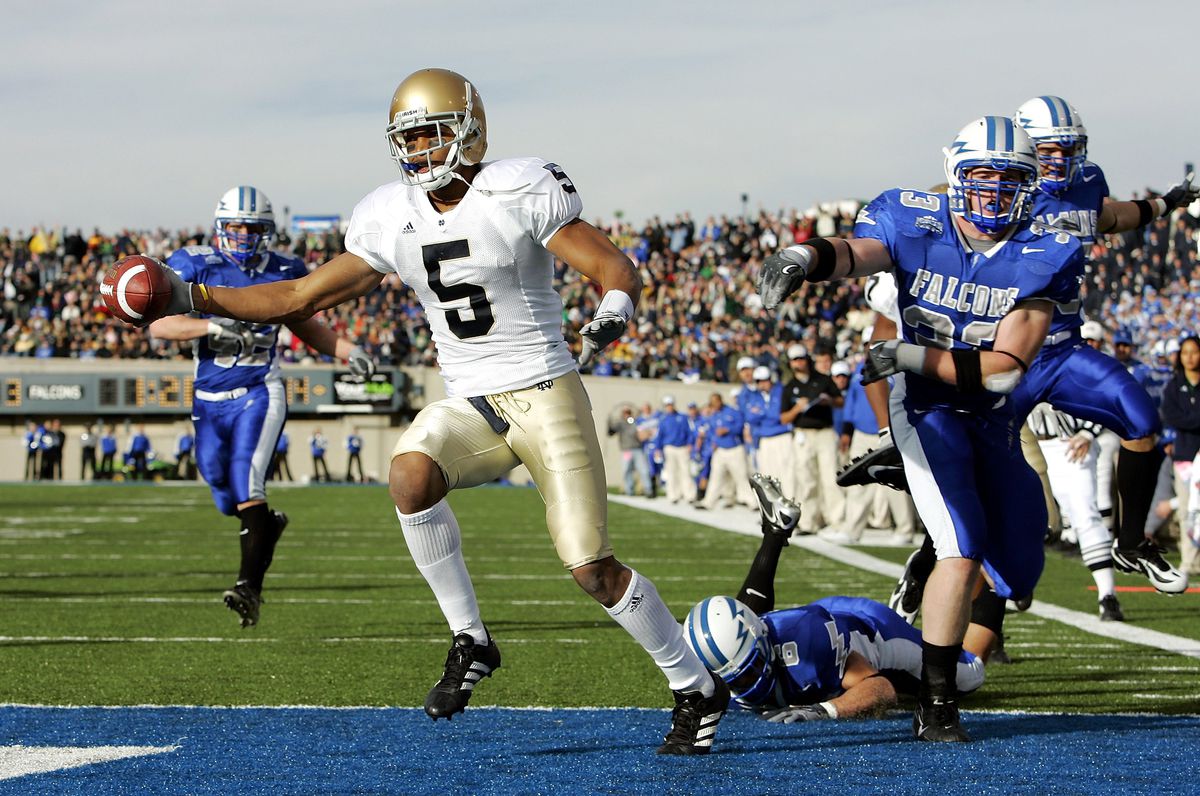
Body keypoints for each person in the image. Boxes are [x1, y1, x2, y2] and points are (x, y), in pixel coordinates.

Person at [144, 68, 729, 754]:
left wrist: (613, 309)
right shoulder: (390, 214)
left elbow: (611, 264)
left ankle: (694, 685)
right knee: (409, 474)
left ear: (469, 131)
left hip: (546, 392)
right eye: (408, 138)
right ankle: (471, 639)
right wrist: (191, 298)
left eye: (430, 133)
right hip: (472, 402)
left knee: (590, 569)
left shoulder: (517, 189)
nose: (419, 150)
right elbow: (294, 298)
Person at [758, 116, 1084, 742]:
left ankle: (926, 550)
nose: (992, 191)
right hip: (928, 407)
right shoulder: (915, 218)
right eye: (979, 176)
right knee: (963, 550)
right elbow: (858, 253)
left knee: (1018, 562)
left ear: (1030, 182)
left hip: (992, 410)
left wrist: (907, 354)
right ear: (955, 175)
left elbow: (1004, 370)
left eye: (1008, 177)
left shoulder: (1048, 249)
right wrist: (808, 255)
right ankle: (938, 703)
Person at [148, 185, 374, 628]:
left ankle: (248, 587)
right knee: (221, 490)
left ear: (267, 231)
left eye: (253, 227)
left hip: (260, 389)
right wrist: (210, 327)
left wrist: (346, 350)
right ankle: (266, 526)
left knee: (247, 483)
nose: (245, 235)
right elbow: (161, 325)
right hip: (209, 395)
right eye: (236, 226)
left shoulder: (285, 268)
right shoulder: (194, 264)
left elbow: (304, 322)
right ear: (220, 227)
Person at [1012, 95, 1196, 592]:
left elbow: (1109, 216)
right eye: (1049, 150)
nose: (1061, 160)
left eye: (1068, 149)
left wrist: (1166, 204)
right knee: (974, 466)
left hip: (1065, 348)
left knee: (1141, 421)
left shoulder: (1086, 182)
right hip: (1007, 352)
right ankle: (928, 559)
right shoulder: (1003, 190)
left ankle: (1132, 541)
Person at [684, 474, 985, 723]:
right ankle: (776, 532)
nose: (744, 687)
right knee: (750, 616)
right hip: (824, 619)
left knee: (970, 675)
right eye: (735, 680)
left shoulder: (808, 648)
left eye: (748, 672)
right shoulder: (723, 652)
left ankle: (994, 582)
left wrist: (825, 709)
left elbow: (881, 689)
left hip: (874, 630)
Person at [1025, 403, 1124, 620]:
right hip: (1023, 441)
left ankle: (1107, 595)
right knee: (1018, 519)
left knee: (1086, 515)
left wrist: (1088, 432)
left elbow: (1103, 394)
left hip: (1067, 444)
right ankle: (1015, 585)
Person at [781, 344, 842, 531]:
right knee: (807, 479)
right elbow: (783, 417)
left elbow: (840, 401)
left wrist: (829, 401)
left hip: (825, 431)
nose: (799, 362)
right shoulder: (790, 387)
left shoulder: (823, 380)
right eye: (795, 359)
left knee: (831, 477)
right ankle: (809, 522)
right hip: (803, 434)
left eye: (801, 358)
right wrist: (797, 409)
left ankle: (837, 521)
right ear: (790, 363)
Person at [1161, 336, 1200, 577]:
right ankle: (1189, 561)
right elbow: (1171, 416)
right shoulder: (1174, 386)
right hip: (1185, 455)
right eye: (1185, 352)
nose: (1189, 357)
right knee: (1188, 510)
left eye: (1194, 352)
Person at [739, 366, 793, 492]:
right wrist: (768, 413)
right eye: (759, 381)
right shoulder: (754, 396)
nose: (762, 384)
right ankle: (773, 506)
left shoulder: (781, 391)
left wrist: (762, 413)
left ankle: (790, 502)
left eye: (765, 380)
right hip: (764, 438)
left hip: (782, 435)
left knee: (787, 473)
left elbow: (778, 415)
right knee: (768, 474)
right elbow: (749, 417)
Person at [698, 392, 753, 510]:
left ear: (720, 401)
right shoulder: (713, 415)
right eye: (712, 403)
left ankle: (752, 502)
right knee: (715, 477)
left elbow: (740, 426)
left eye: (716, 402)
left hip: (734, 449)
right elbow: (711, 431)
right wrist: (714, 441)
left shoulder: (732, 412)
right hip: (720, 450)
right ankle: (708, 502)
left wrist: (728, 430)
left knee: (741, 477)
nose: (714, 405)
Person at [654, 396, 697, 504]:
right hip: (669, 448)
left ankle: (689, 495)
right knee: (671, 472)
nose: (669, 407)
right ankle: (673, 495)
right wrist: (657, 448)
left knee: (686, 471)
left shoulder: (683, 417)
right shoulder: (663, 419)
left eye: (671, 404)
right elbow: (659, 435)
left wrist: (690, 443)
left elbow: (690, 432)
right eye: (667, 405)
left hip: (682, 447)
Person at [609, 406, 651, 496]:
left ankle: (648, 490)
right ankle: (629, 490)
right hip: (626, 450)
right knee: (626, 470)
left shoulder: (635, 422)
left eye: (628, 412)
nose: (627, 415)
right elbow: (611, 432)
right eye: (625, 413)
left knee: (643, 470)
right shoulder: (620, 424)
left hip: (637, 449)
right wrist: (610, 422)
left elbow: (643, 433)